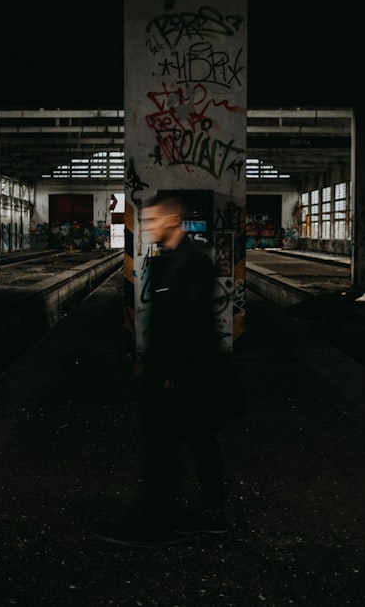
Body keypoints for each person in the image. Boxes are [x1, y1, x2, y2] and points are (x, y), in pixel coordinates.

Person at [95, 193, 237, 548]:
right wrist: (146, 359)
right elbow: (165, 320)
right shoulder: (171, 260)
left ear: (173, 221)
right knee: (180, 441)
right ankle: (180, 513)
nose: (147, 226)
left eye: (153, 220)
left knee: (187, 441)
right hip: (171, 369)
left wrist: (175, 369)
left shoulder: (193, 262)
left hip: (186, 372)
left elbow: (193, 323)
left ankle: (182, 517)